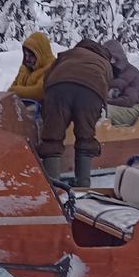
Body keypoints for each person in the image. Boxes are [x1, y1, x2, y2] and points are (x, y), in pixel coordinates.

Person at [38, 38, 114, 187]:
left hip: (58, 87)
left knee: (52, 138)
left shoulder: (69, 54)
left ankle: (53, 186)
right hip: (91, 91)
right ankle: (83, 184)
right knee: (85, 137)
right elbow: (106, 87)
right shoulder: (105, 63)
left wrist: (47, 101)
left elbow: (47, 75)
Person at [103, 39, 139, 127]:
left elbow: (129, 100)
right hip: (113, 106)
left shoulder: (131, 72)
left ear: (118, 56)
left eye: (110, 56)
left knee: (100, 111)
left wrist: (106, 101)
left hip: (133, 109)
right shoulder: (105, 72)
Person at [7, 32, 56, 101]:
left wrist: (15, 91)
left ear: (40, 54)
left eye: (31, 56)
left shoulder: (51, 68)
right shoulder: (24, 69)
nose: (27, 58)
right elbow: (12, 88)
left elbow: (39, 92)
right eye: (26, 55)